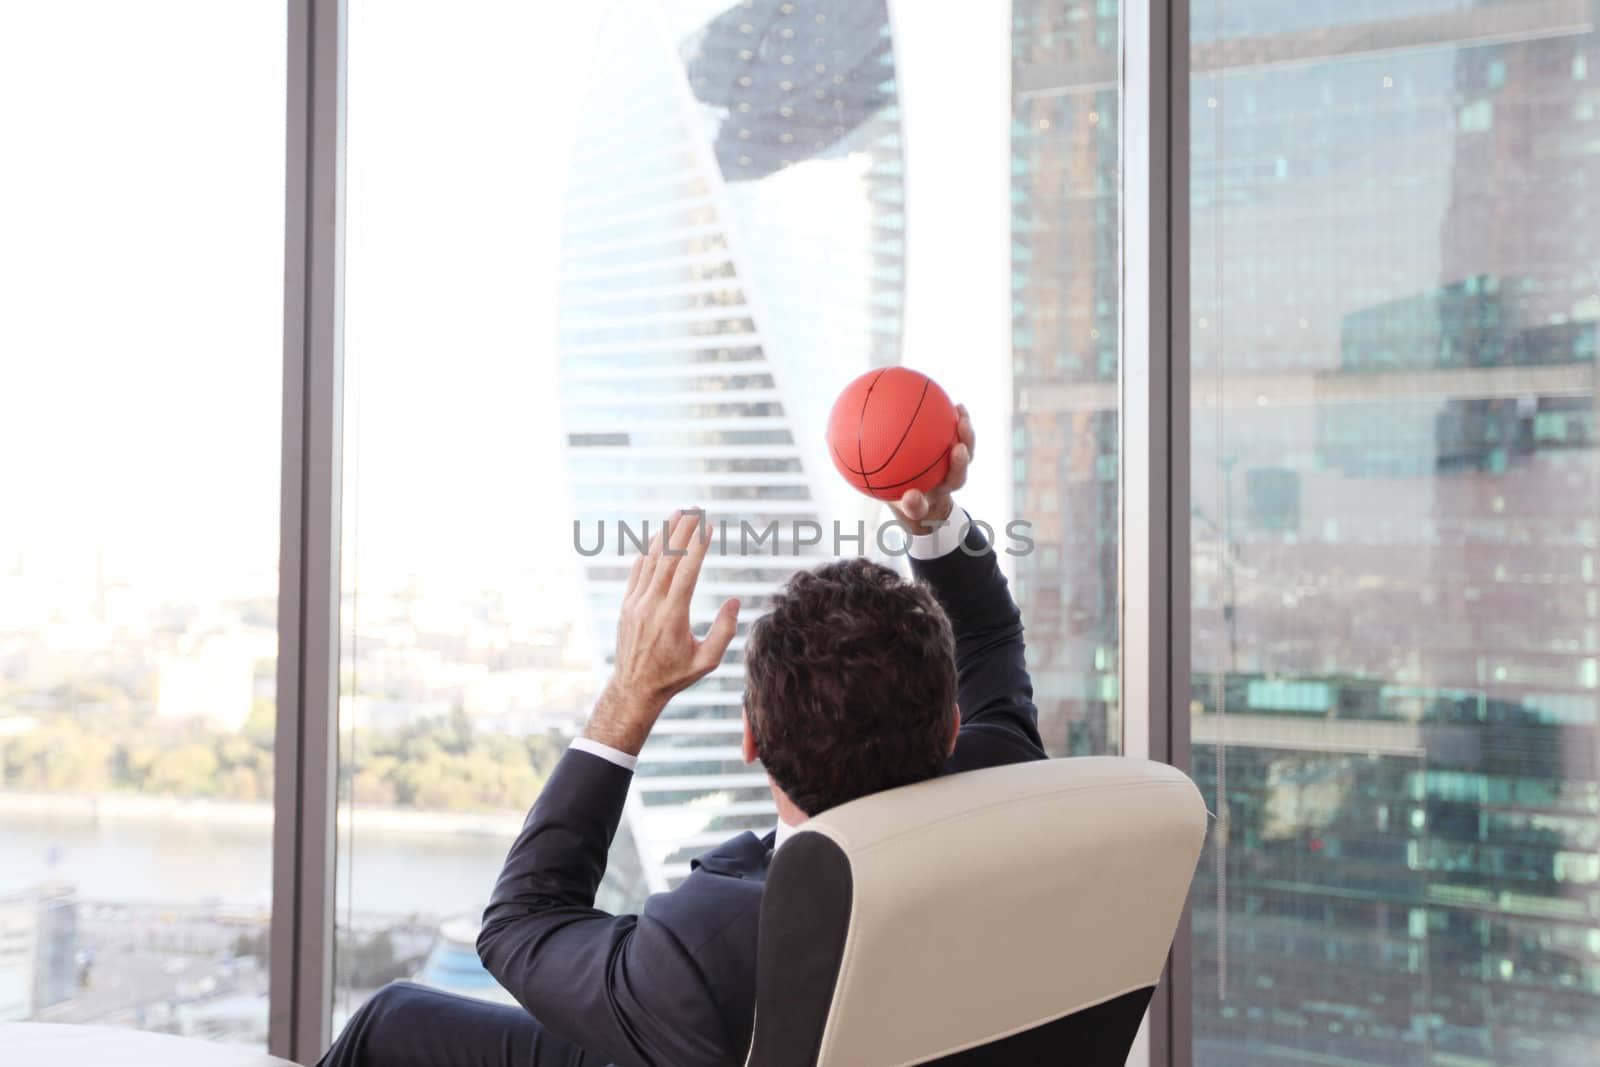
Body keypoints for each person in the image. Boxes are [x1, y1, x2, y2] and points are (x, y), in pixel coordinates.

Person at [317, 408, 1045, 1067]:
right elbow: (987, 634)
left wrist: (630, 694)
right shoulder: (1003, 781)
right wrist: (934, 518)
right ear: (953, 725)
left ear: (751, 737)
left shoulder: (710, 946)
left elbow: (519, 923)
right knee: (396, 1021)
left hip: (702, 1037)